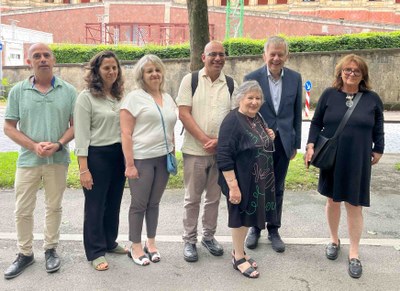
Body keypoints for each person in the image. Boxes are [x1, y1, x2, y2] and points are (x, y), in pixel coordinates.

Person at [304, 54, 384, 279]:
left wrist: (379, 149)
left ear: (363, 75)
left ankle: (354, 253)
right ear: (340, 72)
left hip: (358, 158)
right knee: (332, 200)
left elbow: (379, 127)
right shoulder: (330, 95)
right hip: (332, 157)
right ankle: (333, 240)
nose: (351, 74)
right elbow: (316, 122)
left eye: (356, 71)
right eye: (347, 70)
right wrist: (310, 146)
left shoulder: (372, 98)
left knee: (354, 204)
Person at [3, 43, 76, 279]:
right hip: (27, 160)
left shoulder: (69, 91)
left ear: (54, 60)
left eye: (46, 55)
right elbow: (9, 127)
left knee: (53, 207)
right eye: (37, 56)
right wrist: (33, 146)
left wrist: (58, 143)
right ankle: (25, 253)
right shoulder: (17, 91)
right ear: (29, 62)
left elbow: (76, 126)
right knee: (23, 209)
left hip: (58, 159)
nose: (42, 59)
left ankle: (50, 249)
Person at [176, 40, 237, 262]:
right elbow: (184, 114)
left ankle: (208, 237)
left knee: (214, 198)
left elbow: (235, 118)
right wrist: (205, 140)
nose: (218, 58)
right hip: (194, 151)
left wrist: (220, 143)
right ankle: (189, 240)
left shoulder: (231, 84)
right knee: (192, 198)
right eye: (213, 54)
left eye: (222, 54)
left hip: (221, 154)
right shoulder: (190, 80)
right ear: (204, 57)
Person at [244, 36, 302, 252]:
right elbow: (245, 112)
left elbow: (296, 113)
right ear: (264, 55)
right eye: (272, 54)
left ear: (287, 56)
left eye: (280, 54)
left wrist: (295, 142)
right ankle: (255, 228)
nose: (276, 58)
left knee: (277, 187)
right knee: (257, 186)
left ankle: (274, 229)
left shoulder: (295, 78)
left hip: (284, 142)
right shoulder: (252, 77)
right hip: (258, 142)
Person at [120, 54, 177, 266]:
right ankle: (135, 247)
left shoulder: (168, 97)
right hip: (142, 159)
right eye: (149, 71)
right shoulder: (133, 98)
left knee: (154, 203)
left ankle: (150, 244)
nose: (154, 74)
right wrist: (130, 164)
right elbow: (125, 134)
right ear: (142, 75)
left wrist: (172, 151)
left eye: (157, 70)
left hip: (163, 158)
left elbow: (170, 127)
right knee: (139, 204)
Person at [74, 51, 127, 271]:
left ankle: (109, 241)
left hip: (119, 155)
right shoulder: (86, 98)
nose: (112, 72)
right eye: (106, 68)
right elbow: (82, 135)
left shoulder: (119, 96)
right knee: (96, 205)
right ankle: (95, 251)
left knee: (114, 202)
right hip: (97, 156)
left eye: (114, 67)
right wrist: (83, 169)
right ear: (96, 71)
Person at [217, 81, 276, 278]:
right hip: (239, 180)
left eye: (258, 98)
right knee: (240, 218)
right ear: (240, 99)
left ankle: (239, 252)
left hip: (256, 179)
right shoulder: (232, 120)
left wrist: (270, 136)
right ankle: (238, 258)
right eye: (250, 98)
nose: (254, 102)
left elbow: (258, 140)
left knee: (247, 218)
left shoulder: (257, 117)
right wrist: (233, 187)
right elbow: (223, 156)